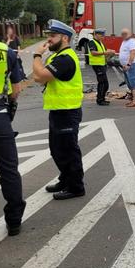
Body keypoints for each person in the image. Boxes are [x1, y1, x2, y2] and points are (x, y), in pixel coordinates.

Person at [33, 19, 85, 200]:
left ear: (65, 38)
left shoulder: (65, 59)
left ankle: (76, 187)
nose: (48, 41)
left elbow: (40, 76)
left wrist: (36, 56)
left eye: (52, 36)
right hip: (59, 110)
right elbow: (39, 77)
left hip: (67, 111)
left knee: (68, 151)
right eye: (48, 36)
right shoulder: (57, 56)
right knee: (56, 149)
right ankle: (65, 179)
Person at [0, 22, 26, 235]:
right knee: (9, 170)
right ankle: (14, 221)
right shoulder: (7, 53)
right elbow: (16, 90)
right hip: (0, 115)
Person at [87, 28, 115, 105]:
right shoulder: (91, 42)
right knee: (102, 83)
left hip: (102, 64)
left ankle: (102, 98)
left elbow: (105, 51)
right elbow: (93, 52)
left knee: (105, 84)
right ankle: (100, 100)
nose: (103, 37)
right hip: (97, 65)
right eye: (101, 35)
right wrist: (105, 52)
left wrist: (111, 51)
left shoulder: (100, 42)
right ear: (96, 35)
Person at [119, 28, 135, 107]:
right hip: (126, 66)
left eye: (125, 33)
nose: (123, 35)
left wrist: (128, 64)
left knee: (134, 83)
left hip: (132, 65)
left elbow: (133, 53)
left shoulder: (131, 42)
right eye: (123, 34)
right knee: (130, 83)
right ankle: (133, 99)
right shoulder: (124, 42)